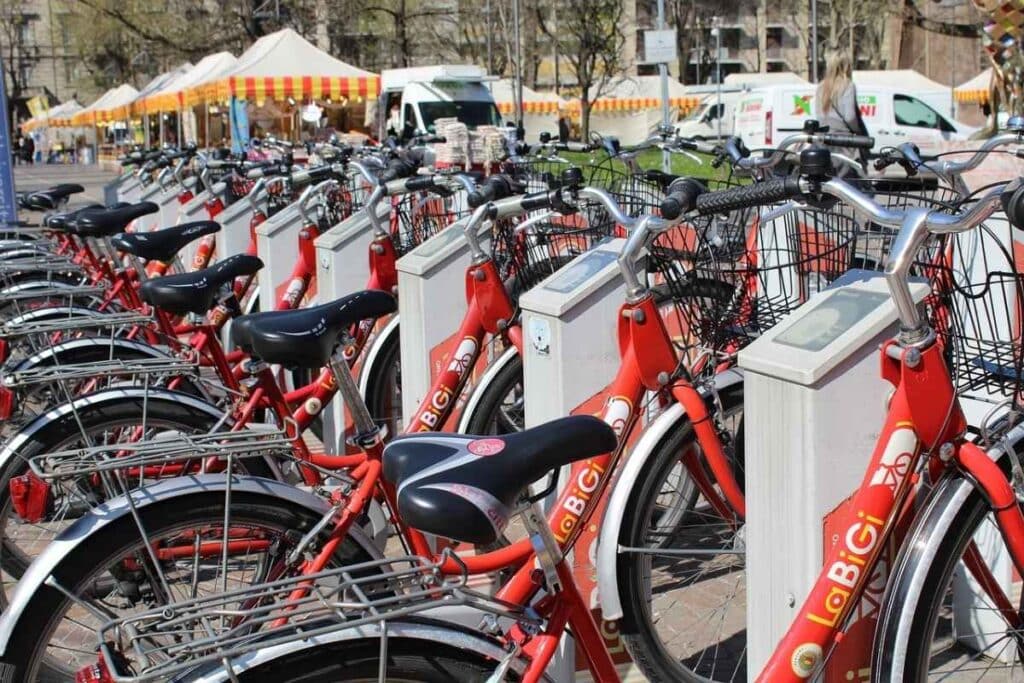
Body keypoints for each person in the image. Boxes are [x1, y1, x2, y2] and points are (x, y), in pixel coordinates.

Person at [814, 51, 869, 174]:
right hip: (845, 142)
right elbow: (850, 117)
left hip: (824, 140)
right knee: (851, 181)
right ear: (846, 66)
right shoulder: (847, 85)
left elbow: (819, 116)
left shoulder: (821, 86)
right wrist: (858, 132)